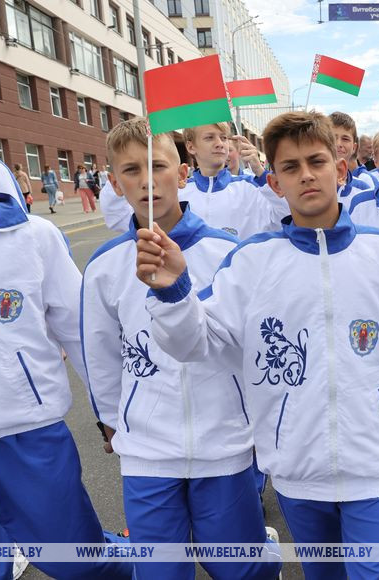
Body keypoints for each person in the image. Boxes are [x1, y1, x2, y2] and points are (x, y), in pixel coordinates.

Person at [135, 111, 379, 579]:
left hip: (374, 464)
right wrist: (174, 294)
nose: (306, 174)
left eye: (316, 161)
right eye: (290, 167)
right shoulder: (251, 261)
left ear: (340, 170)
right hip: (296, 468)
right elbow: (196, 344)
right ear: (275, 182)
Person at [82, 118, 281, 579]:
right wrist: (112, 419)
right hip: (148, 452)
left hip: (224, 445)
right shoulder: (105, 265)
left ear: (183, 172)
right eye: (131, 170)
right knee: (159, 572)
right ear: (114, 183)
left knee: (239, 569)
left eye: (157, 166)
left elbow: (252, 346)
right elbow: (101, 354)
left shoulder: (229, 252)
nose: (146, 180)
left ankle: (262, 551)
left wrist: (256, 420)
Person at [0, 100, 132, 579]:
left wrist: (111, 413)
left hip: (26, 433)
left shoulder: (34, 236)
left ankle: (147, 562)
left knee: (77, 562)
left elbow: (81, 331)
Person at [179, 122, 287, 239]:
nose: (220, 144)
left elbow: (286, 216)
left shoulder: (251, 186)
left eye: (223, 138)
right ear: (191, 147)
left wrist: (260, 172)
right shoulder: (179, 192)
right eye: (209, 137)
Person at [330, 111, 376, 199]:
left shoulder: (364, 189)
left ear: (354, 148)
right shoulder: (311, 185)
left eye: (345, 139)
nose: (338, 144)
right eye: (333, 138)